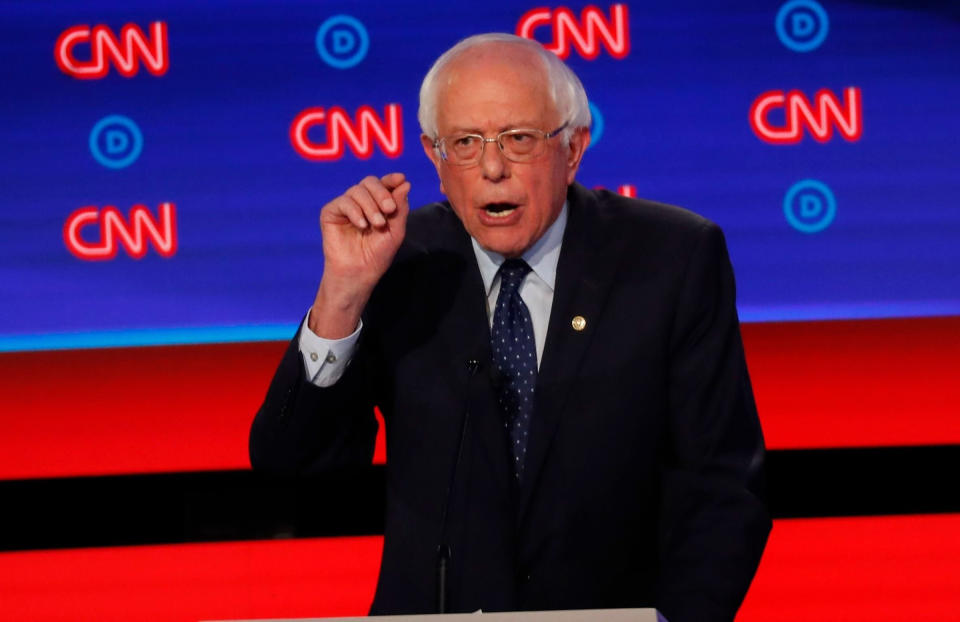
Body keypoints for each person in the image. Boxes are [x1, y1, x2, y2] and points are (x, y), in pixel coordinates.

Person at [250, 33, 770, 622]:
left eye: (519, 139)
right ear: (433, 156)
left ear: (574, 149)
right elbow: (290, 465)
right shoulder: (398, 262)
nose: (492, 167)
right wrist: (341, 297)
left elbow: (724, 487)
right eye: (466, 143)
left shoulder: (669, 259)